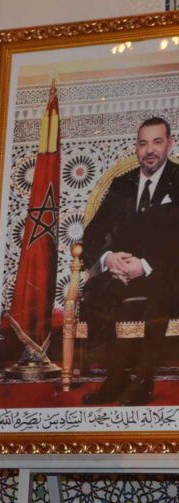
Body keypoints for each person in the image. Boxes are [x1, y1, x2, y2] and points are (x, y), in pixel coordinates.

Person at [81, 116, 179, 406]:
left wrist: (145, 266)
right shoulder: (122, 184)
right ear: (136, 148)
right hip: (121, 273)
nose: (149, 150)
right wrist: (109, 259)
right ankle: (117, 379)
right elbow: (93, 233)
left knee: (157, 294)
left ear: (170, 144)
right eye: (143, 143)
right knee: (96, 295)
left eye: (157, 142)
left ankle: (141, 382)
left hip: (166, 272)